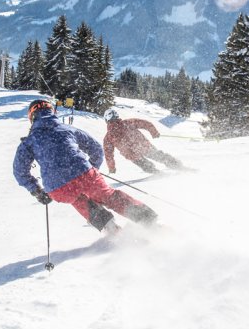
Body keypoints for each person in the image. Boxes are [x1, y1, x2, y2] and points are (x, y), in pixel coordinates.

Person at [13, 99, 158, 234]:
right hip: (84, 174)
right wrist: (92, 168)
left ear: (32, 117)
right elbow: (96, 149)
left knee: (78, 200)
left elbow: (20, 171)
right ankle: (150, 222)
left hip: (56, 187)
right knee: (108, 196)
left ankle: (111, 228)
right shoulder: (67, 129)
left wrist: (37, 191)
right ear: (52, 112)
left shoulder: (29, 141)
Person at [103, 108, 184, 174]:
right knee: (161, 157)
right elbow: (145, 123)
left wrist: (111, 168)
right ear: (117, 116)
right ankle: (178, 166)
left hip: (133, 156)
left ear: (106, 120)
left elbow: (108, 154)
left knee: (147, 167)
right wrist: (154, 132)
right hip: (144, 147)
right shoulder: (127, 123)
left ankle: (158, 174)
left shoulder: (108, 137)